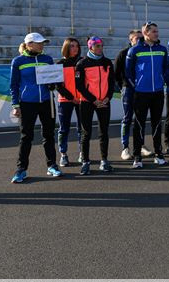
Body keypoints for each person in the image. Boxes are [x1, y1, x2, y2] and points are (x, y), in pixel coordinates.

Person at [9, 32, 61, 183]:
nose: (42, 45)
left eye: (43, 42)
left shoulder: (47, 59)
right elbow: (13, 85)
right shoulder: (18, 61)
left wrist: (53, 84)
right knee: (26, 137)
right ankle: (21, 169)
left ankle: (52, 165)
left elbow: (54, 80)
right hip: (27, 103)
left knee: (49, 135)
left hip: (46, 101)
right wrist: (15, 104)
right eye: (39, 42)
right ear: (29, 44)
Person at [125, 22, 169, 169]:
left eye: (157, 31)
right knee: (139, 125)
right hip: (141, 93)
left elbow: (165, 69)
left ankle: (159, 154)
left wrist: (162, 81)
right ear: (146, 33)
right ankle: (137, 157)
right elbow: (128, 73)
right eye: (154, 31)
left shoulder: (162, 50)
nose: (157, 34)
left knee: (157, 123)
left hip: (157, 92)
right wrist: (136, 87)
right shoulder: (134, 50)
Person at [74, 36, 116, 175]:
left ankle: (104, 161)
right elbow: (79, 86)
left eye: (101, 46)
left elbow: (111, 84)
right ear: (90, 47)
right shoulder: (82, 63)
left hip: (104, 102)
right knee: (86, 133)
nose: (100, 48)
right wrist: (93, 100)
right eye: (97, 46)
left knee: (104, 132)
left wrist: (107, 98)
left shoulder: (107, 62)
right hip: (87, 102)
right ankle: (85, 162)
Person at [115, 30, 145, 161]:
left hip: (142, 90)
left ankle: (140, 145)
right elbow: (116, 73)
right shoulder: (123, 53)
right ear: (130, 40)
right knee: (127, 118)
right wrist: (123, 86)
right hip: (128, 89)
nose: (139, 40)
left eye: (141, 38)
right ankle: (125, 148)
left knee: (140, 118)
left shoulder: (144, 52)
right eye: (136, 38)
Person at [55, 37, 83, 167]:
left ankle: (82, 153)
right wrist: (71, 97)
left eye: (76, 46)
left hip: (82, 100)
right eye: (72, 46)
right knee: (63, 129)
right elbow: (58, 86)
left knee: (81, 128)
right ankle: (63, 155)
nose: (75, 48)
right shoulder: (59, 63)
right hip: (65, 100)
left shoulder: (83, 62)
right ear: (66, 48)